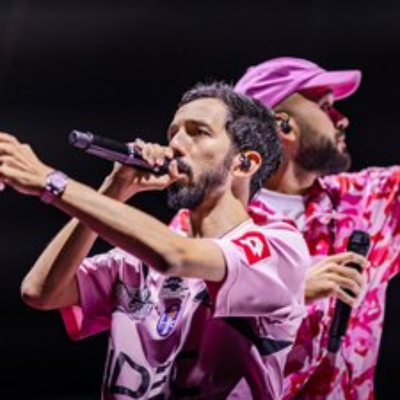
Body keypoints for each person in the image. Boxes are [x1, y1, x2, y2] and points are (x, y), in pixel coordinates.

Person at [0, 82, 309, 400]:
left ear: (244, 163)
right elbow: (41, 292)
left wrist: (51, 182)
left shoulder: (279, 247)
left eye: (198, 132)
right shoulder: (135, 262)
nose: (175, 144)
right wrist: (115, 188)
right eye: (173, 133)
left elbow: (175, 257)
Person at [232, 56, 397, 399]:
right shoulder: (214, 223)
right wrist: (292, 291)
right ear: (283, 125)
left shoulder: (367, 200)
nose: (342, 119)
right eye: (325, 107)